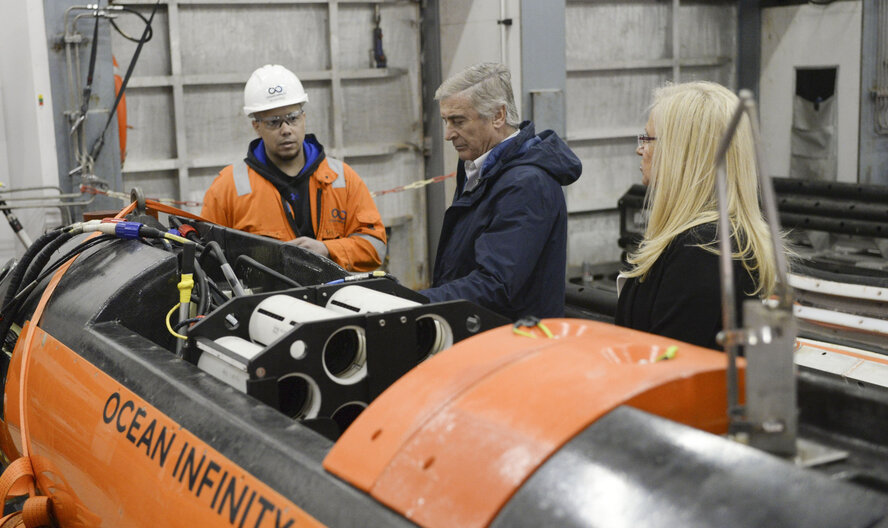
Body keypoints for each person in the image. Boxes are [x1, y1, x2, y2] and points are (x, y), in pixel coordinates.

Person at [615, 81, 784, 350]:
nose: (640, 149)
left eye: (648, 139)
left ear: (683, 152)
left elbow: (667, 370)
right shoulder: (702, 239)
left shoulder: (704, 248)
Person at [419, 63, 582, 320]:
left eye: (458, 121)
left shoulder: (526, 185)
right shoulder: (477, 166)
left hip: (516, 341)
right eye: (445, 121)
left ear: (498, 116)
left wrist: (418, 302)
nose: (449, 134)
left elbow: (497, 283)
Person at [200, 64, 387, 272]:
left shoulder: (342, 178)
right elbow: (208, 258)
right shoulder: (228, 187)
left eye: (292, 118)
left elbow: (375, 247)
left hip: (333, 297)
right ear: (256, 126)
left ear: (304, 118)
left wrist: (327, 249)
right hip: (264, 302)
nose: (286, 129)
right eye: (274, 122)